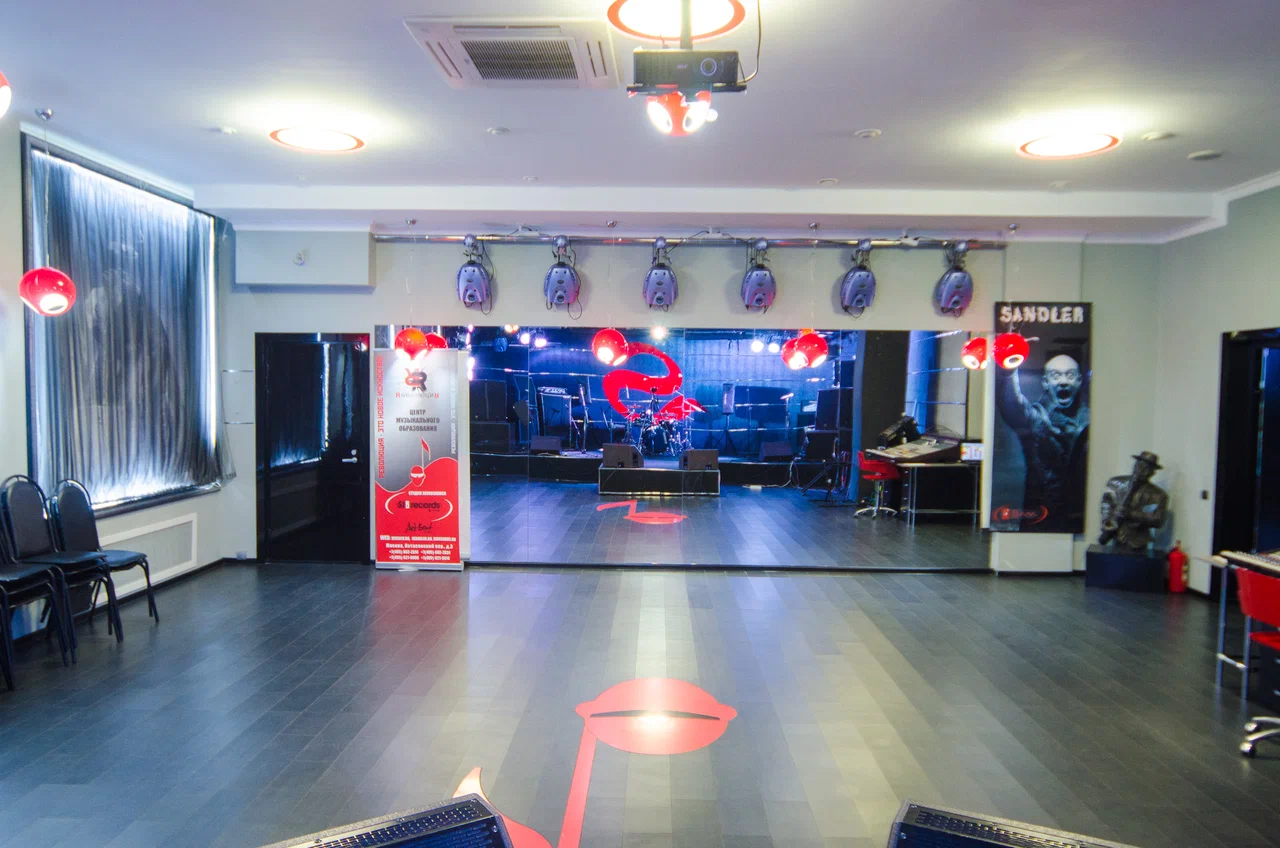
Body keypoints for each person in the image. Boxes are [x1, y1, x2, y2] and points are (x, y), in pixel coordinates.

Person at [995, 352, 1089, 531]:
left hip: (1078, 514)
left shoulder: (1090, 420)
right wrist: (1009, 368)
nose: (1063, 381)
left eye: (1070, 375)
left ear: (1079, 381)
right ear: (1045, 382)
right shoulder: (1036, 418)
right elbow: (1013, 403)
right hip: (1040, 513)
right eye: (1056, 375)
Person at [1099, 452, 1169, 551]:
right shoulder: (1115, 483)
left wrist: (1130, 514)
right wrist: (1107, 521)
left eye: (1147, 468)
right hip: (1116, 538)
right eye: (1140, 465)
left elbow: (1158, 520)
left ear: (1153, 473)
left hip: (1139, 543)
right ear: (1135, 465)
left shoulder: (1158, 495)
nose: (1141, 471)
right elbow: (1106, 502)